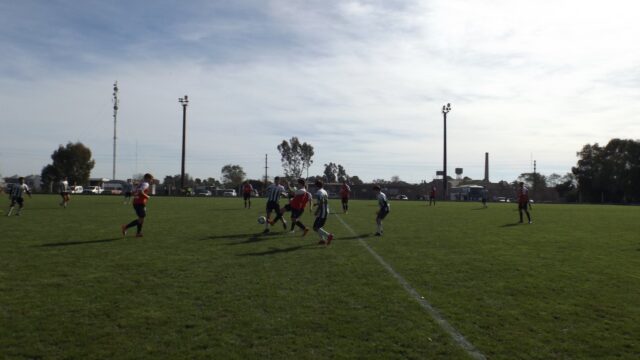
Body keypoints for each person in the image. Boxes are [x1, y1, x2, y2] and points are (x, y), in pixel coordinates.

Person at [121, 173, 154, 238]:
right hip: (139, 203)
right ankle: (125, 227)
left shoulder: (141, 183)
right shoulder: (146, 184)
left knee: (141, 218)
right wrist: (147, 196)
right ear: (147, 178)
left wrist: (131, 194)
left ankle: (138, 233)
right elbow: (141, 191)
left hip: (137, 202)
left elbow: (135, 191)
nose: (151, 181)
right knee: (141, 219)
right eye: (151, 179)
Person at [313, 180, 334, 245]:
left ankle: (328, 236)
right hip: (324, 211)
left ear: (316, 186)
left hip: (322, 212)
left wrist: (317, 210)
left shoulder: (319, 192)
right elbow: (324, 201)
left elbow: (321, 202)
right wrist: (316, 204)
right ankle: (322, 240)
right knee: (315, 227)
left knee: (317, 227)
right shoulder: (324, 191)